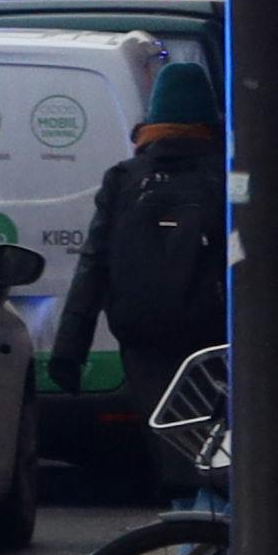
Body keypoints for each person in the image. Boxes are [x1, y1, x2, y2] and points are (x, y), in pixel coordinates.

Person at [48, 61, 233, 435]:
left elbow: (94, 263)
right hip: (212, 334)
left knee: (168, 439)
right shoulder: (228, 177)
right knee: (215, 437)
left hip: (141, 334)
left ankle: (182, 492)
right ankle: (208, 493)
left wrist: (69, 349)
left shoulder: (124, 178)